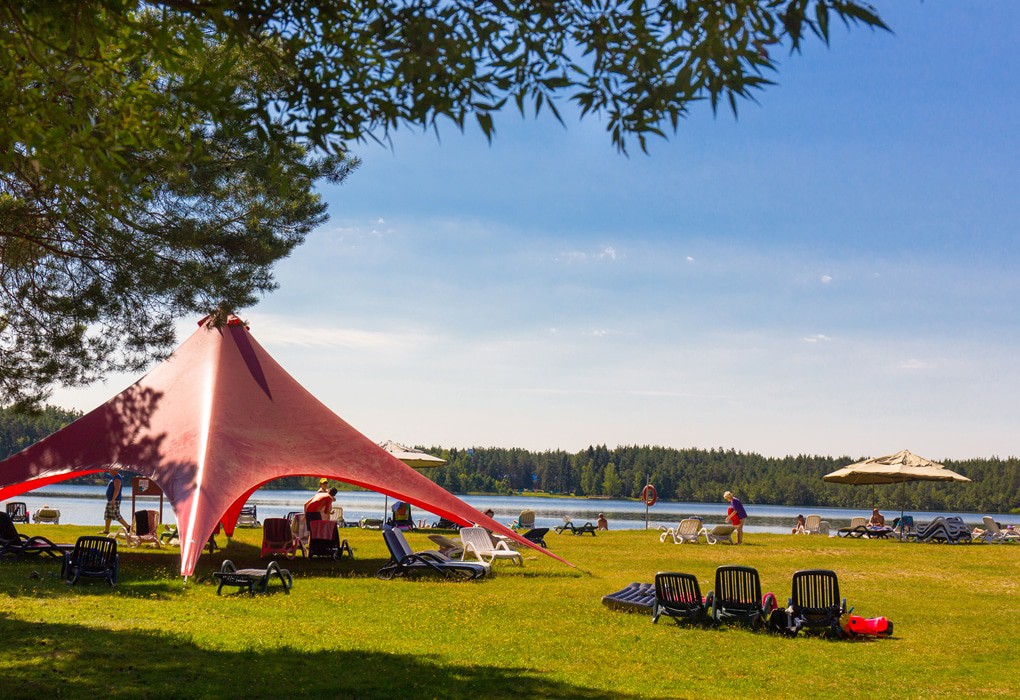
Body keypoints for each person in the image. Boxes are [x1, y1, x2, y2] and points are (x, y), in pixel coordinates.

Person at [101, 466, 131, 534]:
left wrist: (113, 499)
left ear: (115, 470)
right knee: (108, 514)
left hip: (115, 500)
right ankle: (106, 530)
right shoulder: (114, 477)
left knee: (116, 515)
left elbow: (117, 489)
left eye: (110, 469)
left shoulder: (117, 478)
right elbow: (106, 474)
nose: (109, 470)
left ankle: (128, 527)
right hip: (111, 499)